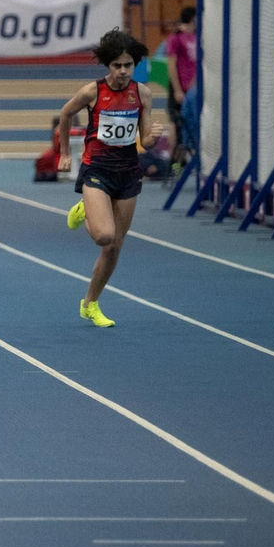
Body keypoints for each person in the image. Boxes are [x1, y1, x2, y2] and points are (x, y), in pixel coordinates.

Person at [58, 28, 155, 329]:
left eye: (128, 65)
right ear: (108, 65)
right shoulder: (93, 92)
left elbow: (146, 138)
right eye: (117, 65)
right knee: (104, 235)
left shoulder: (142, 94)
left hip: (127, 172)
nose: (123, 71)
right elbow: (64, 114)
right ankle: (87, 208)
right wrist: (64, 153)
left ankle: (91, 304)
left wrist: (154, 137)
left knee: (114, 247)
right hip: (97, 168)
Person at [164, 7, 198, 164]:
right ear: (192, 18)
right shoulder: (176, 37)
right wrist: (177, 89)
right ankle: (175, 162)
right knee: (175, 123)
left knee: (191, 124)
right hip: (179, 87)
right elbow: (171, 63)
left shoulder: (197, 37)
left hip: (194, 89)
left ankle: (188, 159)